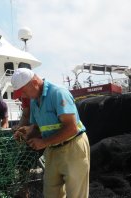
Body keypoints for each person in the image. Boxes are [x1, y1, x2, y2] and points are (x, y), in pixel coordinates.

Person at [11, 68, 90, 198]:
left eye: (23, 91)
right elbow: (37, 127)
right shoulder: (33, 100)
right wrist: (28, 132)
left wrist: (43, 142)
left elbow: (72, 128)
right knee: (51, 193)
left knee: (76, 195)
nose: (22, 96)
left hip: (73, 147)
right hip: (52, 150)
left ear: (35, 82)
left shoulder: (58, 93)